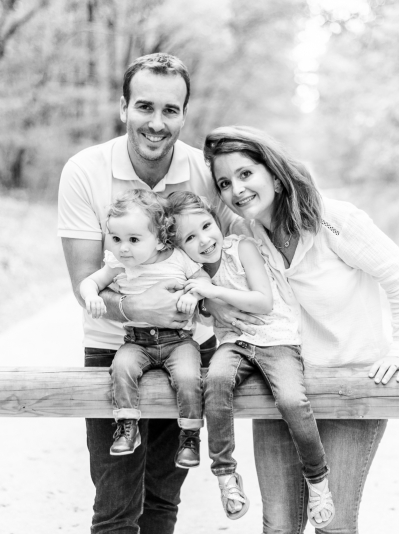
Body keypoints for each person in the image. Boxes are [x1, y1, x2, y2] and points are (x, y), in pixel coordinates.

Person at [201, 125, 399, 533]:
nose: (236, 189)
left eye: (245, 173)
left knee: (333, 527)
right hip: (279, 391)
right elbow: (216, 292)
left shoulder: (333, 220)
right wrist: (214, 299)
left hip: (348, 390)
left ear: (273, 171)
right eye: (224, 182)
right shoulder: (244, 236)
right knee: (280, 526)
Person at [57, 53, 242, 534]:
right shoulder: (85, 170)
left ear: (184, 113)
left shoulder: (205, 175)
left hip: (191, 346)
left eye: (170, 110)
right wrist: (148, 308)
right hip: (113, 347)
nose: (157, 123)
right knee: (117, 504)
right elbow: (85, 281)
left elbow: (224, 261)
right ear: (123, 107)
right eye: (144, 107)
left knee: (162, 499)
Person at [165, 191, 334, 527]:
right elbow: (200, 319)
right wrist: (194, 301)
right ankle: (226, 476)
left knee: (291, 399)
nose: (204, 239)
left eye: (206, 226)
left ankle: (317, 480)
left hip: (276, 339)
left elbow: (263, 301)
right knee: (214, 382)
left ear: (216, 220)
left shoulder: (240, 247)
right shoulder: (192, 273)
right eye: (190, 237)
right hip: (235, 343)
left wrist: (212, 293)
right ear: (178, 246)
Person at [79, 189, 207, 466]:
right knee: (122, 367)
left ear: (160, 241)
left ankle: (190, 435)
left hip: (179, 341)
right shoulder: (118, 264)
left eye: (133, 240)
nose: (123, 247)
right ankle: (127, 427)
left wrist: (191, 295)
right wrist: (91, 296)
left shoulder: (178, 258)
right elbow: (90, 282)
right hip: (137, 341)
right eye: (115, 239)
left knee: (188, 376)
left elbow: (204, 279)